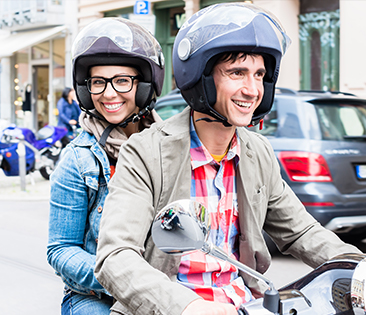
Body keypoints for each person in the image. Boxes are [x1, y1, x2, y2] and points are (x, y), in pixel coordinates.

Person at [95, 3, 362, 315]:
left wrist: (359, 268)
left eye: (259, 75)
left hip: (247, 306)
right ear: (201, 77)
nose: (252, 89)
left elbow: (302, 233)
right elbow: (115, 255)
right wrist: (188, 306)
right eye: (237, 73)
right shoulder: (146, 152)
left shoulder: (257, 152)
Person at [47, 17, 164, 315]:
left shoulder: (169, 148)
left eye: (122, 80)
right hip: (96, 297)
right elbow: (61, 249)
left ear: (145, 85)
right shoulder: (78, 159)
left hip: (169, 291)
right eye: (98, 82)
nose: (109, 94)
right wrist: (127, 279)